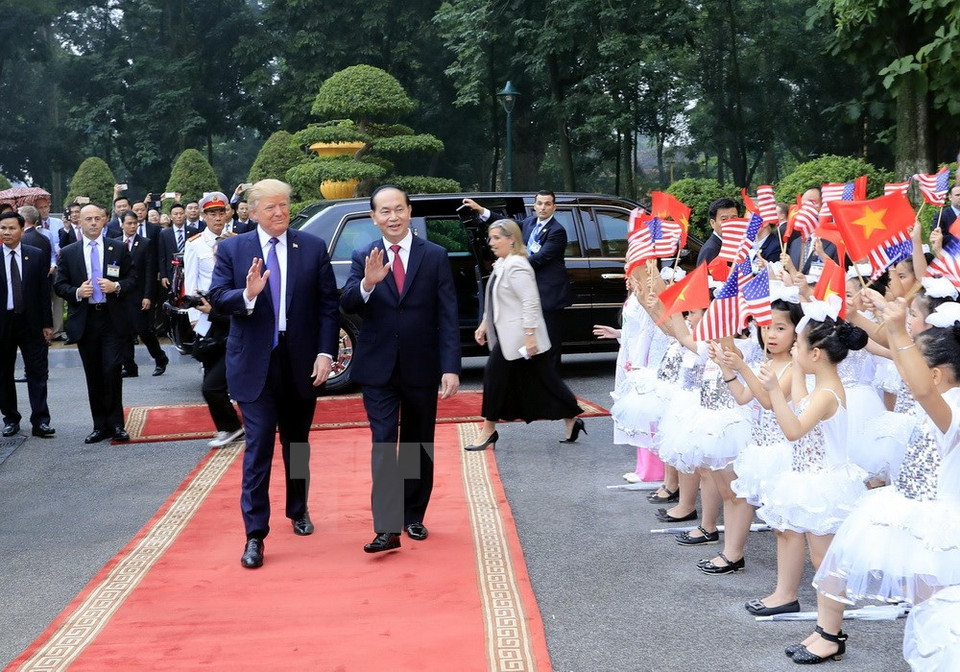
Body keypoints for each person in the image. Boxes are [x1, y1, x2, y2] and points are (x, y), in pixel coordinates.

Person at [208, 179, 339, 569]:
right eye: (270, 208)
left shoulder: (311, 247)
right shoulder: (234, 248)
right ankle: (254, 533)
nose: (280, 213)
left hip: (300, 361)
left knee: (296, 443)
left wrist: (324, 352)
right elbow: (217, 298)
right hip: (254, 363)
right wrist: (247, 295)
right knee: (259, 444)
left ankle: (298, 508)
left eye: (284, 205)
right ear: (252, 211)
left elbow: (328, 305)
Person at [341, 184, 461, 554]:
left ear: (410, 212)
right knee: (383, 442)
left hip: (422, 366)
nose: (392, 217)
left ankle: (413, 515)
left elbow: (447, 314)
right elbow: (346, 302)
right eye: (384, 211)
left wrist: (451, 367)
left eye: (398, 209)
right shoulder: (364, 255)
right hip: (378, 367)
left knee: (416, 442)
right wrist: (367, 283)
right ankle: (387, 527)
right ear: (374, 217)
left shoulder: (435, 255)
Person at [467, 217, 583, 452]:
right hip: (511, 336)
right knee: (545, 380)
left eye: (497, 238)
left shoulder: (518, 265)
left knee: (493, 378)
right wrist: (483, 324)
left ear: (512, 240)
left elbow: (530, 302)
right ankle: (571, 417)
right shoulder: (502, 263)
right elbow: (495, 299)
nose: (491, 242)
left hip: (520, 338)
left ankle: (488, 430)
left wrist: (529, 336)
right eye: (490, 237)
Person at [54, 204, 135, 443]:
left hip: (111, 318)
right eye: (87, 219)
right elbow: (60, 285)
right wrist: (78, 291)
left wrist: (116, 286)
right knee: (94, 373)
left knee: (112, 369)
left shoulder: (118, 248)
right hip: (86, 319)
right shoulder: (69, 252)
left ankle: (117, 424)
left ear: (104, 221)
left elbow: (133, 278)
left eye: (97, 218)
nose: (92, 223)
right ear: (79, 221)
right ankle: (99, 425)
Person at [463, 191, 572, 367]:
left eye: (547, 204)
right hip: (525, 293)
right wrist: (482, 210)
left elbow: (540, 258)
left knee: (549, 346)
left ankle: (551, 384)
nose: (543, 207)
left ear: (554, 207)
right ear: (534, 206)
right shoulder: (529, 223)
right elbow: (508, 227)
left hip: (549, 297)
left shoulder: (557, 231)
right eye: (540, 203)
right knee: (529, 349)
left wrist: (508, 262)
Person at [183, 192, 243, 448]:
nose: (217, 218)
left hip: (234, 313)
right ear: (204, 216)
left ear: (228, 214)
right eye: (212, 213)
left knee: (226, 378)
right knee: (211, 376)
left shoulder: (239, 241)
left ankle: (235, 426)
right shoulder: (196, 243)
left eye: (221, 212)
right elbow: (191, 283)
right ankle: (227, 426)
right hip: (208, 317)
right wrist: (194, 318)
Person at [0, 211, 54, 438]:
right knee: (3, 373)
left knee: (37, 372)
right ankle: (11, 418)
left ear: (22, 229)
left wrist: (47, 324)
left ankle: (40, 420)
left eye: (12, 228)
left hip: (31, 322)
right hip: (3, 323)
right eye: (3, 228)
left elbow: (43, 292)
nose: (7, 232)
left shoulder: (36, 254)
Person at [113, 211, 168, 377]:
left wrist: (148, 296)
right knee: (123, 332)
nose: (132, 226)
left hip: (139, 294)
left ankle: (160, 358)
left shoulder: (145, 243)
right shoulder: (115, 243)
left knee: (144, 330)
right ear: (121, 224)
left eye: (134, 223)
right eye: (128, 223)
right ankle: (129, 366)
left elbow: (150, 272)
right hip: (120, 293)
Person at [696, 198, 741, 265]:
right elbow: (703, 275)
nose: (729, 223)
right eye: (724, 219)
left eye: (734, 218)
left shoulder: (732, 244)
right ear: (713, 223)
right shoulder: (710, 250)